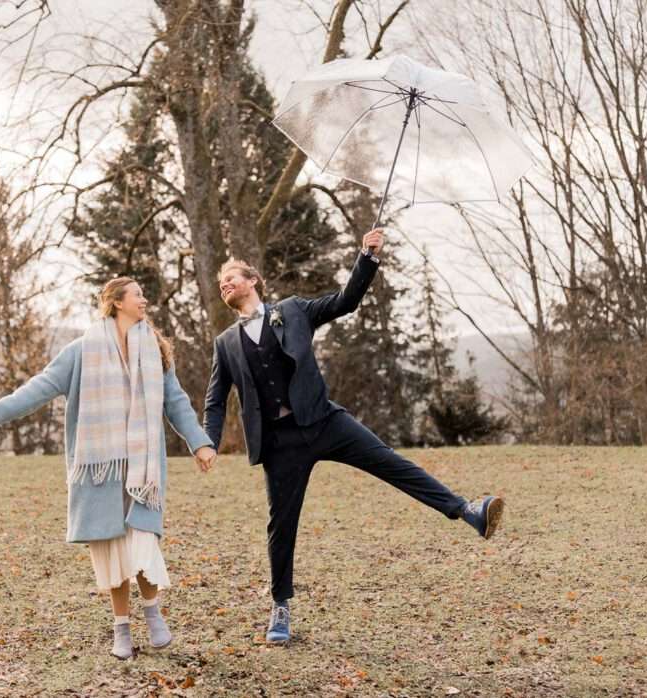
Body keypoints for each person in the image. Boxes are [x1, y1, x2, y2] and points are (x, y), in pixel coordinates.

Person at [203, 228, 504, 645]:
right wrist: (207, 440)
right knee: (281, 525)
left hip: (324, 420)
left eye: (232, 277)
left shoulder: (292, 310)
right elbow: (216, 398)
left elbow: (346, 301)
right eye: (220, 284)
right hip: (279, 443)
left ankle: (467, 510)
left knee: (390, 462)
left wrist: (368, 257)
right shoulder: (225, 344)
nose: (225, 284)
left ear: (253, 281)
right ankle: (281, 607)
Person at [0, 277, 217, 660]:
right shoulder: (82, 350)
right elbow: (41, 386)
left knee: (142, 543)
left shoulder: (152, 350)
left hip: (143, 468)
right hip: (100, 470)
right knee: (112, 549)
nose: (145, 300)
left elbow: (176, 401)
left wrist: (199, 442)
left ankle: (152, 614)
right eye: (138, 294)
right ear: (117, 302)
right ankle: (121, 629)